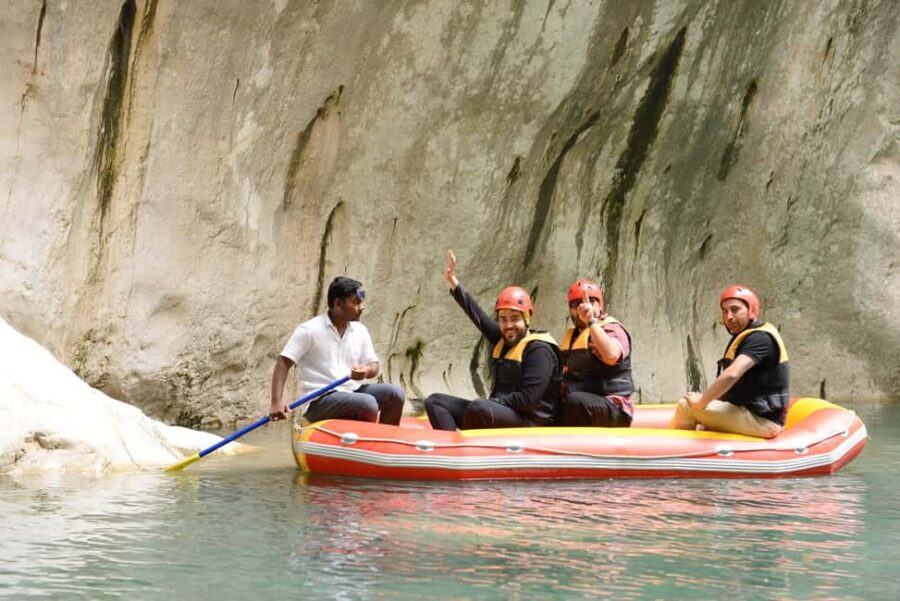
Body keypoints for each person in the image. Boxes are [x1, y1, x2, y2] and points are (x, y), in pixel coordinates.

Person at [424, 250, 560, 430]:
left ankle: (471, 448)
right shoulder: (505, 339)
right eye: (503, 319)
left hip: (529, 422)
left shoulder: (540, 351)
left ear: (527, 318)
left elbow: (528, 399)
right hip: (499, 411)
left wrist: (494, 402)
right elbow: (478, 316)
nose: (509, 325)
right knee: (434, 402)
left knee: (479, 408)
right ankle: (452, 451)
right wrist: (453, 282)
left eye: (514, 318)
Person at [269, 276, 405, 425]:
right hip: (320, 400)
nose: (361, 307)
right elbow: (283, 362)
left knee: (395, 394)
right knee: (368, 404)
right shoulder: (309, 330)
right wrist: (276, 402)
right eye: (356, 303)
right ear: (338, 303)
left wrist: (365, 371)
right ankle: (361, 442)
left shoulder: (360, 330)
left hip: (353, 391)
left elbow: (374, 366)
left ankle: (383, 440)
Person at [670, 285, 789, 438]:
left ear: (751, 310)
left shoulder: (759, 338)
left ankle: (675, 459)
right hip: (752, 415)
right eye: (725, 311)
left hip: (762, 421)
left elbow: (732, 374)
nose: (729, 316)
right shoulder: (749, 336)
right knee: (697, 411)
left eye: (735, 310)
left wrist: (701, 403)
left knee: (686, 406)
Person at [558, 280, 635, 427]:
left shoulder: (612, 328)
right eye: (575, 304)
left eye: (590, 302)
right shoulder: (572, 337)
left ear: (600, 305)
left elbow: (612, 355)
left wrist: (591, 322)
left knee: (575, 401)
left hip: (613, 407)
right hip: (582, 401)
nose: (582, 307)